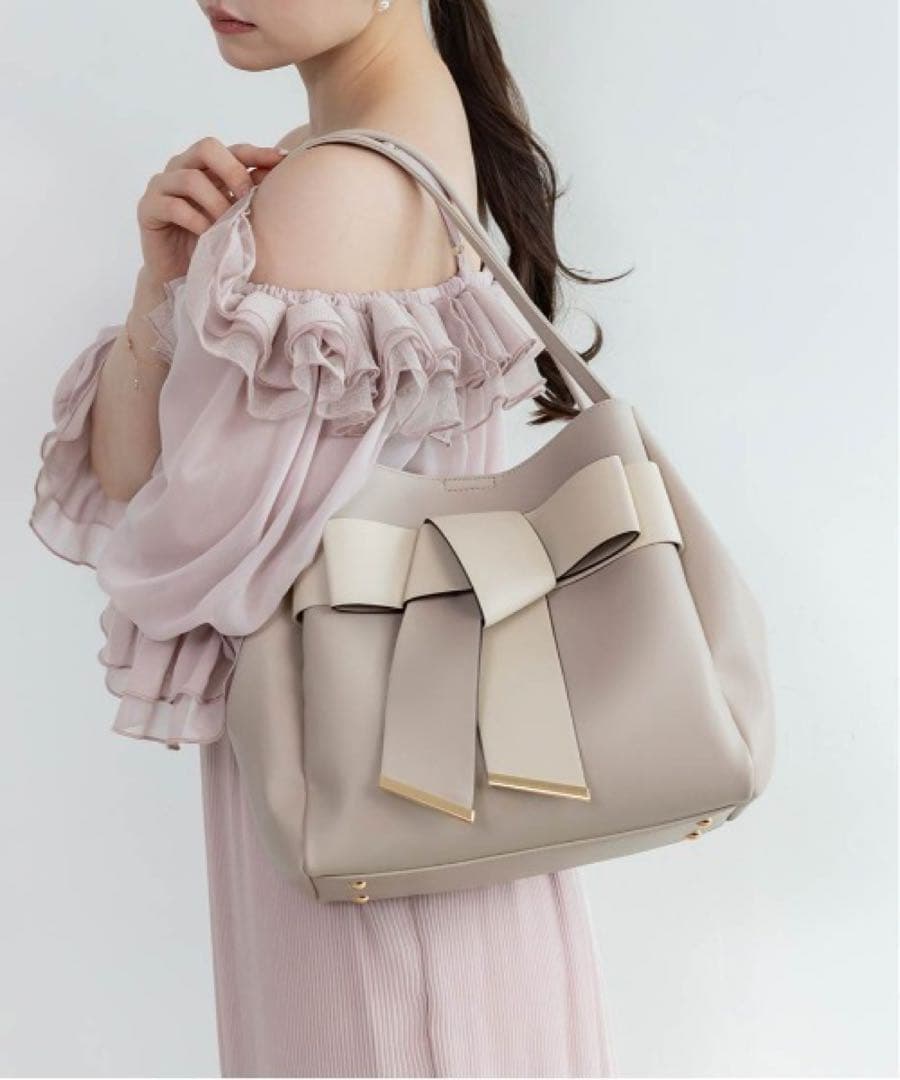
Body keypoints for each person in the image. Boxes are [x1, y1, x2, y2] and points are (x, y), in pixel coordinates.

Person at [29, 0, 617, 1075]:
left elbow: (181, 552)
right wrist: (165, 287)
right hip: (434, 819)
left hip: (375, 858)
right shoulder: (403, 145)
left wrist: (177, 312)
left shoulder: (337, 185)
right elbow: (147, 490)